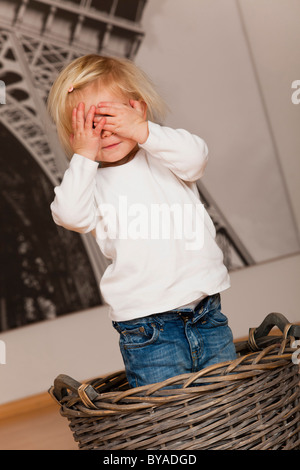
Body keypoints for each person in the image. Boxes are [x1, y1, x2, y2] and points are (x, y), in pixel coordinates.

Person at [48, 54, 236, 388]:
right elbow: (69, 215)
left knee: (226, 404)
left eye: (111, 116)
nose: (104, 130)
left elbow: (197, 156)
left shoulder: (165, 157)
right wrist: (83, 157)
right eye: (90, 125)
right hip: (147, 329)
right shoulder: (88, 183)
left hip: (206, 312)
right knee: (167, 420)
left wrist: (143, 131)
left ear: (139, 109)